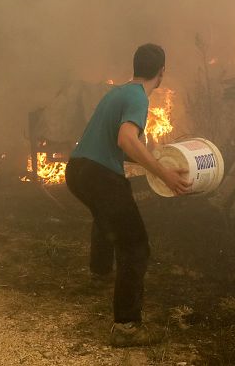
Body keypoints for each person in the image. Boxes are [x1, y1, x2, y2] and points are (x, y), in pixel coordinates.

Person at [65, 43, 192, 347]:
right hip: (99, 175)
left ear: (135, 66)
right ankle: (126, 327)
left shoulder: (117, 92)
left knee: (105, 216)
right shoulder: (138, 97)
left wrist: (155, 161)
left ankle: (99, 274)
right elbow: (126, 139)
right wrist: (164, 172)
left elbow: (114, 142)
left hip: (77, 170)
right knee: (135, 245)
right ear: (162, 72)